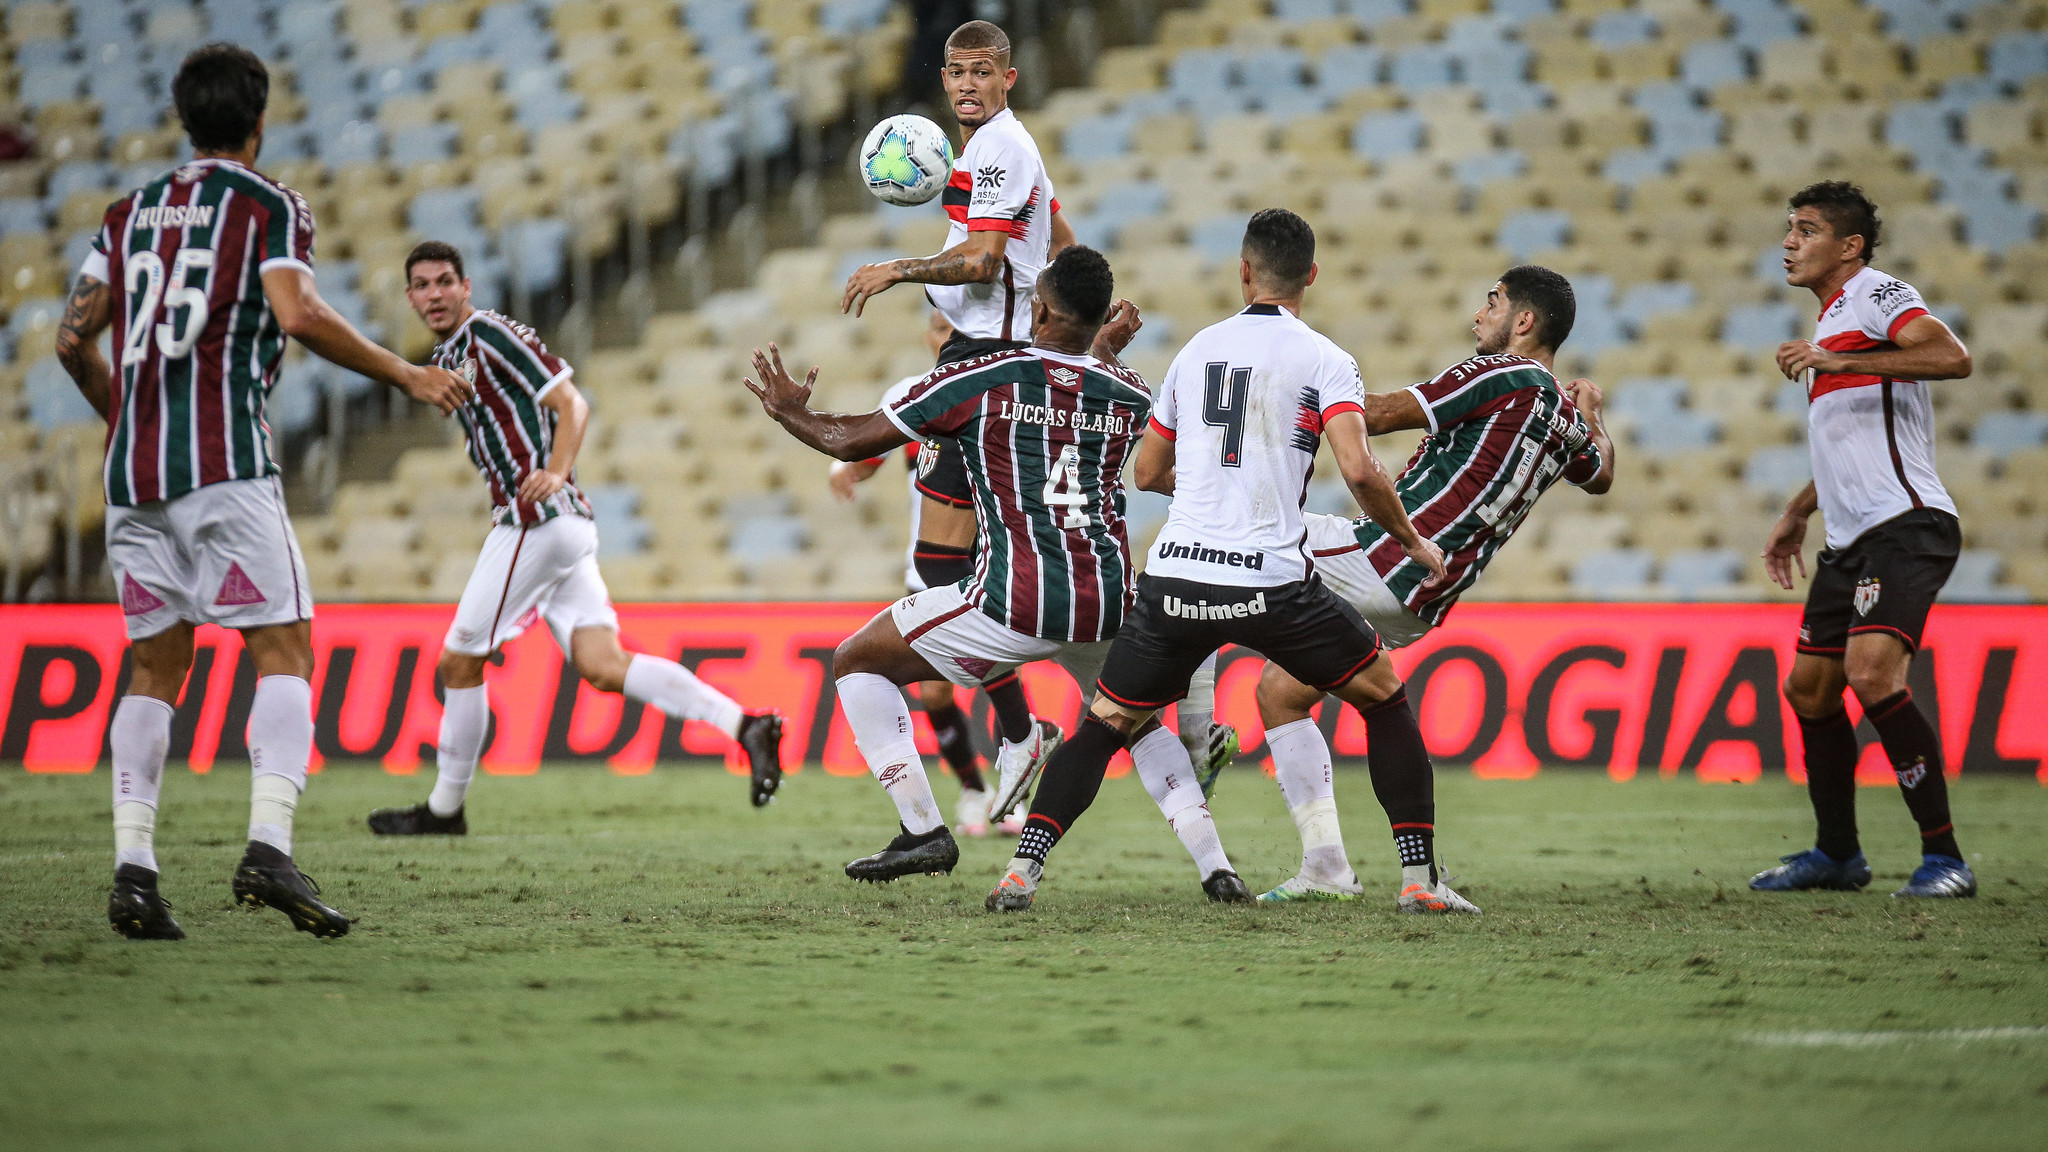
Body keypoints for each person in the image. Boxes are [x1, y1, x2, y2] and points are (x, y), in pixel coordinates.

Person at [55, 44, 474, 941]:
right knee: (283, 651)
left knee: (156, 668)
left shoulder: (124, 215)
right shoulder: (265, 206)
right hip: (224, 463)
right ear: (259, 119)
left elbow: (70, 338)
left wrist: (129, 421)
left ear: (183, 119)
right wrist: (404, 373)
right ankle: (269, 850)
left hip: (133, 473)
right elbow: (297, 312)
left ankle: (134, 873)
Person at [984, 209, 1468, 915]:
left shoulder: (1197, 351)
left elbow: (1148, 472)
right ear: (1311, 276)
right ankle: (1420, 879)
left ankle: (1021, 872)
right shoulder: (1326, 358)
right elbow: (1361, 471)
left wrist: (1213, 483)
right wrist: (1417, 544)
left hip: (1177, 573)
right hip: (1270, 581)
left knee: (1105, 725)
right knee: (1383, 696)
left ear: (1243, 272)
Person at [747, 246, 1151, 882]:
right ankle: (1211, 859)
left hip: (1011, 587)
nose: (946, 331)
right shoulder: (1116, 389)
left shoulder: (980, 380)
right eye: (939, 323)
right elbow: (1082, 403)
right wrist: (1100, 350)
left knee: (867, 653)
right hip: (1085, 588)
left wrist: (791, 412)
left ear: (1031, 311)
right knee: (1122, 715)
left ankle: (945, 808)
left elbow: (854, 439)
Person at [365, 241, 786, 835]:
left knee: (459, 663)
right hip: (563, 527)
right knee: (603, 664)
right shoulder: (454, 353)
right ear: (409, 296)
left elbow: (571, 402)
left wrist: (556, 469)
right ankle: (747, 726)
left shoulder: (488, 335)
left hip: (535, 521)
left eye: (443, 282)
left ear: (466, 288)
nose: (433, 294)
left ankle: (444, 810)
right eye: (422, 285)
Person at [1248, 266, 1613, 902]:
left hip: (1381, 557)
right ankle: (1361, 873)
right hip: (1422, 601)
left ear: (1523, 322)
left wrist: (1288, 403)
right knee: (1280, 692)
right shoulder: (1562, 415)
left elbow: (1383, 414)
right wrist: (1594, 415)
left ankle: (1184, 721)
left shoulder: (1501, 374)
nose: (1479, 314)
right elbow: (1602, 474)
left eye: (1492, 301)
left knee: (1222, 536)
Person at [837, 20, 1104, 818]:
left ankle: (1024, 731)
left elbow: (986, 260)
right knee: (944, 570)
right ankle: (1041, 728)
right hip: (982, 358)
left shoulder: (1001, 149)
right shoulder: (989, 152)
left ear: (1009, 78)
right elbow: (1059, 237)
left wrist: (901, 268)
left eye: (982, 73)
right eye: (955, 72)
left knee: (939, 575)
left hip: (985, 366)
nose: (965, 85)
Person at [1750, 181, 1977, 899]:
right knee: (1809, 690)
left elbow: (1952, 356)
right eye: (1789, 228)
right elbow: (1854, 440)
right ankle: (1838, 854)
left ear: (1848, 247)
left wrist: (1842, 362)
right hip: (1850, 539)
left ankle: (1946, 860)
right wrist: (1797, 510)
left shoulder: (1878, 293)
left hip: (1906, 525)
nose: (1789, 241)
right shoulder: (1828, 328)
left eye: (1806, 229)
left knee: (1872, 675)